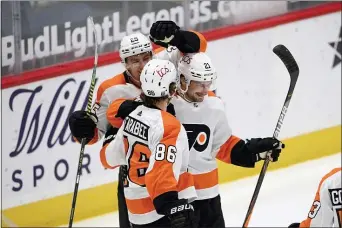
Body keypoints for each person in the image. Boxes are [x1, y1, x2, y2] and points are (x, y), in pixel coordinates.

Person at [106, 52, 286, 228]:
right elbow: (115, 114)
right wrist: (124, 107)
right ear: (182, 80)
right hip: (176, 198)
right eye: (199, 83)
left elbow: (222, 145)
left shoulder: (214, 105)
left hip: (206, 197)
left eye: (208, 82)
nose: (205, 89)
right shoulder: (163, 106)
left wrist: (253, 152)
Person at [68, 20, 207, 228]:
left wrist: (177, 36)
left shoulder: (163, 64)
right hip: (135, 174)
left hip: (172, 163)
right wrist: (81, 129)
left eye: (146, 57)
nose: (143, 65)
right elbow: (96, 134)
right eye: (134, 61)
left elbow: (200, 46)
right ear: (124, 63)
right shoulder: (110, 90)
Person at [100, 59, 197, 228]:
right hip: (160, 212)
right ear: (171, 90)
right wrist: (170, 205)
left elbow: (107, 159)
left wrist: (110, 135)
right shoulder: (169, 125)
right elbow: (162, 171)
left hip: (136, 213)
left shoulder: (132, 116)